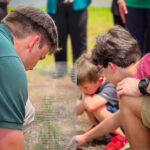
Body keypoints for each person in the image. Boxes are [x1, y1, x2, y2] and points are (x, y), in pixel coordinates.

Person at [72, 25, 150, 150]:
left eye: (102, 70)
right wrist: (85, 137)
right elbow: (116, 119)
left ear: (111, 67)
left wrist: (142, 85)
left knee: (126, 101)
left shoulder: (147, 63)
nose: (103, 76)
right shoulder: (134, 80)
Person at [0, 6, 58, 150]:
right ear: (34, 42)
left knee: (27, 110)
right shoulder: (9, 62)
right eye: (40, 57)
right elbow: (9, 143)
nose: (33, 67)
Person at [75, 53, 126, 150]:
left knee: (96, 107)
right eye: (79, 87)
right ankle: (99, 130)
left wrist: (85, 97)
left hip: (122, 124)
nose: (82, 90)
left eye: (85, 87)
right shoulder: (90, 88)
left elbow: (91, 106)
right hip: (107, 125)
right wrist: (85, 97)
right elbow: (77, 110)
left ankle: (122, 137)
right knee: (87, 102)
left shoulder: (110, 86)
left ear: (100, 80)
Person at [46, 0, 91, 78]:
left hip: (77, 4)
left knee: (79, 40)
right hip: (57, 5)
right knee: (58, 38)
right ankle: (61, 70)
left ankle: (80, 71)